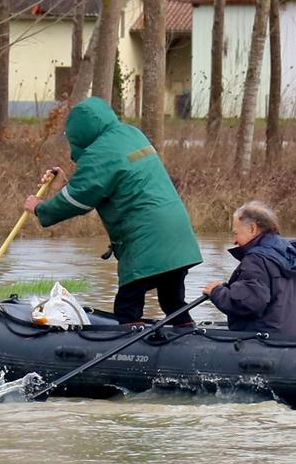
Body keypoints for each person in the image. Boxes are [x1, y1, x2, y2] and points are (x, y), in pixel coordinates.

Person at [24, 97, 203, 326]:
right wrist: (67, 185)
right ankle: (185, 336)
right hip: (178, 233)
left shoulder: (100, 152)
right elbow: (99, 186)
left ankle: (132, 350)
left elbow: (78, 200)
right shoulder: (131, 134)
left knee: (127, 307)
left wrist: (40, 208)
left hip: (145, 239)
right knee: (173, 301)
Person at [202, 201, 296, 336]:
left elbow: (247, 303)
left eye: (236, 233)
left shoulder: (256, 259)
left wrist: (217, 292)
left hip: (265, 343)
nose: (234, 241)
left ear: (252, 229)